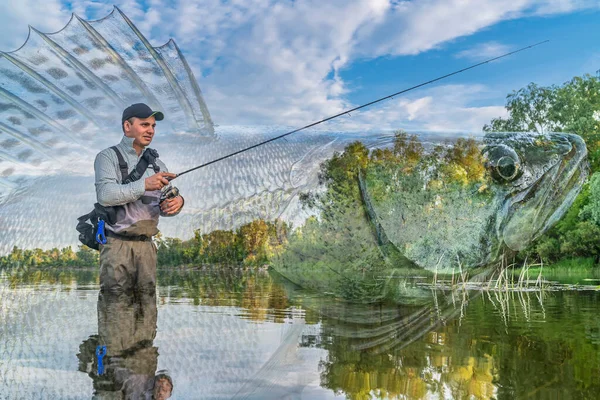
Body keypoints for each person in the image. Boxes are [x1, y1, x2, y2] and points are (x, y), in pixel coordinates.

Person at [94, 103, 184, 296]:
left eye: (153, 126)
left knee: (148, 315)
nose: (151, 130)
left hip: (148, 249)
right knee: (116, 315)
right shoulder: (107, 157)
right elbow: (105, 195)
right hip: (117, 247)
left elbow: (164, 205)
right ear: (127, 126)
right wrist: (144, 184)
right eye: (145, 125)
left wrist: (177, 203)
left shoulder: (158, 164)